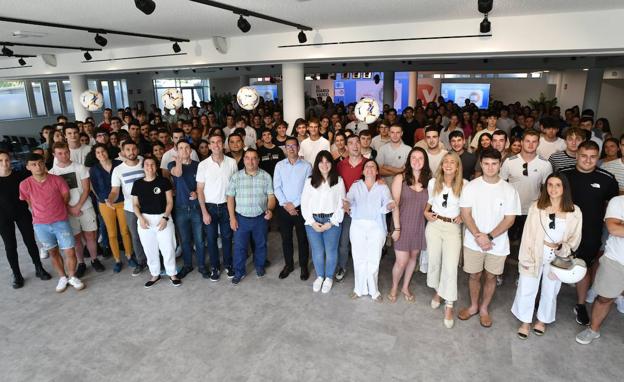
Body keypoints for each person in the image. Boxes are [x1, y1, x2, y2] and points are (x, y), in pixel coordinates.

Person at [511, 173, 582, 339]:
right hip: (535, 253)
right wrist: (525, 258)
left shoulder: (574, 211)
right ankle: (525, 321)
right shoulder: (537, 207)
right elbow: (527, 234)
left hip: (558, 257)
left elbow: (575, 238)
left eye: (558, 185)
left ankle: (542, 320)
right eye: (550, 185)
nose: (553, 189)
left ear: (564, 188)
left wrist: (561, 248)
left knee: (551, 290)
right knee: (527, 287)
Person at [458, 148, 521, 327]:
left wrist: (489, 236)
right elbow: (465, 213)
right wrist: (479, 236)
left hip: (498, 243)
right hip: (473, 241)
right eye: (486, 163)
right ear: (481, 164)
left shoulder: (509, 190)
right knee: (474, 275)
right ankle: (473, 306)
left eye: (494, 164)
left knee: (491, 277)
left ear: (500, 164)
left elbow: (510, 219)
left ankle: (484, 308)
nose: (490, 167)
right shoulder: (471, 186)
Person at [560, 141, 619, 325]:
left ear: (598, 157)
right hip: (562, 231)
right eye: (584, 155)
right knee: (553, 265)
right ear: (577, 155)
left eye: (593, 156)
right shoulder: (563, 175)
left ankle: (580, 304)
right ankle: (546, 298)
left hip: (591, 232)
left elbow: (612, 208)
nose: (588, 160)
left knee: (582, 268)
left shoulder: (607, 179)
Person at [19, 153, 84, 292]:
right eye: (34, 164)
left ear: (44, 163)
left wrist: (57, 210)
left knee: (70, 251)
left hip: (60, 221)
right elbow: (29, 202)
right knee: (53, 252)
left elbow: (65, 197)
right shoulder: (24, 184)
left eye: (40, 163)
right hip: (40, 224)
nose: (38, 167)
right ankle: (62, 277)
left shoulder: (57, 180)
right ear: (28, 167)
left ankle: (72, 276)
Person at [500, 130, 553, 280]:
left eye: (534, 141)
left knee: (527, 245)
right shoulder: (509, 162)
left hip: (532, 211)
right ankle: (499, 272)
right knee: (505, 242)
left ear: (538, 143)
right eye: (527, 141)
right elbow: (502, 186)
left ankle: (521, 274)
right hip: (510, 210)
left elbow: (546, 190)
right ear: (522, 142)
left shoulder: (545, 165)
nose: (530, 144)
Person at [49, 142, 105, 277]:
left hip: (85, 206)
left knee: (91, 236)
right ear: (54, 155)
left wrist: (78, 206)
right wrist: (69, 209)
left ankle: (94, 259)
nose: (64, 155)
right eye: (60, 153)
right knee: (76, 239)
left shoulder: (80, 167)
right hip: (66, 211)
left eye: (66, 152)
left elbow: (86, 189)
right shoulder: (52, 173)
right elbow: (55, 196)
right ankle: (81, 263)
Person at [424, 152, 466, 328]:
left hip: (452, 229)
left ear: (457, 167)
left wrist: (463, 218)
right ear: (441, 165)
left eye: (452, 162)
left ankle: (449, 305)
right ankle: (439, 292)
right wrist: (426, 212)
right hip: (434, 225)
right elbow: (429, 204)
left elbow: (469, 208)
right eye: (445, 162)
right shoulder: (433, 183)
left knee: (450, 266)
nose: (448, 165)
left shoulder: (465, 185)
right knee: (434, 262)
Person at [344, 159, 395, 302]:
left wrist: (390, 205)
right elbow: (349, 199)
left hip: (376, 226)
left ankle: (374, 291)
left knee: (373, 258)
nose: (370, 169)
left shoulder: (382, 187)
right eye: (367, 166)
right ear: (363, 171)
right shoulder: (356, 186)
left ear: (377, 171)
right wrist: (346, 204)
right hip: (358, 225)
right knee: (359, 257)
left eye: (373, 167)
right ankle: (358, 289)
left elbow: (388, 201)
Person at [576, 194, 624, 344]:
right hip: (616, 260)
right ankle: (593, 330)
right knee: (604, 298)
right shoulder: (618, 202)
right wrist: (618, 225)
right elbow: (614, 228)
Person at [0, 150, 51, 288]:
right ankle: (16, 274)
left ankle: (39, 268)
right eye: (1, 160)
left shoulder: (20, 176)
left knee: (30, 241)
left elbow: (39, 175)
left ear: (10, 160)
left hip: (22, 213)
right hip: (3, 218)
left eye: (6, 160)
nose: (4, 163)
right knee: (10, 246)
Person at [226, 149, 275, 284]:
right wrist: (232, 217)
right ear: (244, 160)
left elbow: (271, 197)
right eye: (247, 158)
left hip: (260, 218)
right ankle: (239, 271)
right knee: (239, 247)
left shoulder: (266, 176)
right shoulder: (236, 177)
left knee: (261, 245)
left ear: (258, 160)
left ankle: (259, 266)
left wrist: (270, 209)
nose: (251, 161)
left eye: (254, 158)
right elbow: (230, 198)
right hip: (241, 218)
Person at [388, 147, 431, 303]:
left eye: (420, 158)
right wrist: (397, 228)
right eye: (414, 157)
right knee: (401, 261)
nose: (417, 161)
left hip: (419, 225)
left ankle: (405, 286)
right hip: (402, 224)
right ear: (409, 160)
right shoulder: (400, 178)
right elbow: (395, 205)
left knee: (413, 257)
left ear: (425, 161)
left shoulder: (429, 181)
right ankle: (394, 286)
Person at [131, 157, 181, 288]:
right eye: (147, 164)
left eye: (152, 164)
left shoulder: (164, 181)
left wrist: (165, 218)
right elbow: (135, 204)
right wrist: (140, 218)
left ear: (156, 166)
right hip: (145, 220)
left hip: (163, 217)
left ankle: (172, 273)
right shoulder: (138, 184)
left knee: (168, 248)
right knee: (149, 249)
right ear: (143, 167)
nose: (149, 167)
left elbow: (170, 202)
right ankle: (155, 274)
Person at [301, 151, 345, 294]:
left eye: (327, 162)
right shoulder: (309, 181)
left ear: (332, 163)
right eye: (321, 162)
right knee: (317, 251)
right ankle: (320, 276)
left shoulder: (338, 180)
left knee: (331, 251)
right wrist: (312, 222)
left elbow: (341, 204)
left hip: (331, 220)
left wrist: (331, 223)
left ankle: (329, 277)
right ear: (317, 164)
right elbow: (304, 203)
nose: (324, 165)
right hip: (313, 221)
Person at [196, 134, 238, 281]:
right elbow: (199, 189)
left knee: (227, 237)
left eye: (219, 142)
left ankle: (228, 265)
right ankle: (215, 267)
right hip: (210, 207)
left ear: (223, 144)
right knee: (212, 238)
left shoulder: (232, 162)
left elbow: (235, 187)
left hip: (227, 206)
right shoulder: (203, 165)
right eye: (212, 142)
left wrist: (233, 212)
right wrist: (204, 212)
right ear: (209, 146)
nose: (216, 145)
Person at [89, 144, 134, 273]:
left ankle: (129, 255)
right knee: (112, 233)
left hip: (122, 201)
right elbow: (95, 188)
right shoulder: (94, 169)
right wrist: (103, 200)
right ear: (95, 155)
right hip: (105, 204)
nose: (101, 154)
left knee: (125, 231)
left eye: (103, 151)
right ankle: (117, 260)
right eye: (98, 153)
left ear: (107, 151)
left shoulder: (119, 163)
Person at [274, 137, 312, 280]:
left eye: (294, 146)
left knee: (302, 239)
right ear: (285, 148)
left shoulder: (307, 166)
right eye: (288, 146)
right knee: (286, 239)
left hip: (301, 208)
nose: (291, 148)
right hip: (284, 208)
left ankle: (303, 266)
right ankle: (288, 265)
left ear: (298, 147)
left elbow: (307, 189)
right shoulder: (279, 165)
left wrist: (294, 205)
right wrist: (286, 204)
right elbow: (276, 187)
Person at [109, 141, 148, 276]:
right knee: (135, 237)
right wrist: (110, 199)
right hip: (130, 208)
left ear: (137, 149)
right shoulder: (118, 169)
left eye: (133, 148)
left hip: (149, 207)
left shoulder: (144, 162)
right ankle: (142, 262)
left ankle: (156, 259)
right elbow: (115, 191)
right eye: (128, 149)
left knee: (153, 234)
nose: (131, 152)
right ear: (123, 152)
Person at [168, 140, 205, 279]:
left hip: (196, 207)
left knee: (199, 239)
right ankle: (188, 265)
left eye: (186, 148)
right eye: (180, 148)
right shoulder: (172, 164)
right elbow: (177, 174)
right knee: (185, 240)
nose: (184, 150)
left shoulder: (198, 165)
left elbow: (203, 184)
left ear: (191, 150)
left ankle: (202, 266)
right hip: (181, 208)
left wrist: (196, 191)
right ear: (177, 150)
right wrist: (178, 161)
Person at [336, 135, 366, 282]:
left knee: (362, 242)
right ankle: (342, 266)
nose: (355, 146)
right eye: (351, 143)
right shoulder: (340, 165)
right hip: (346, 210)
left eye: (358, 142)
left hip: (363, 211)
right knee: (343, 242)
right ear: (346, 147)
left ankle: (363, 269)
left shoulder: (368, 164)